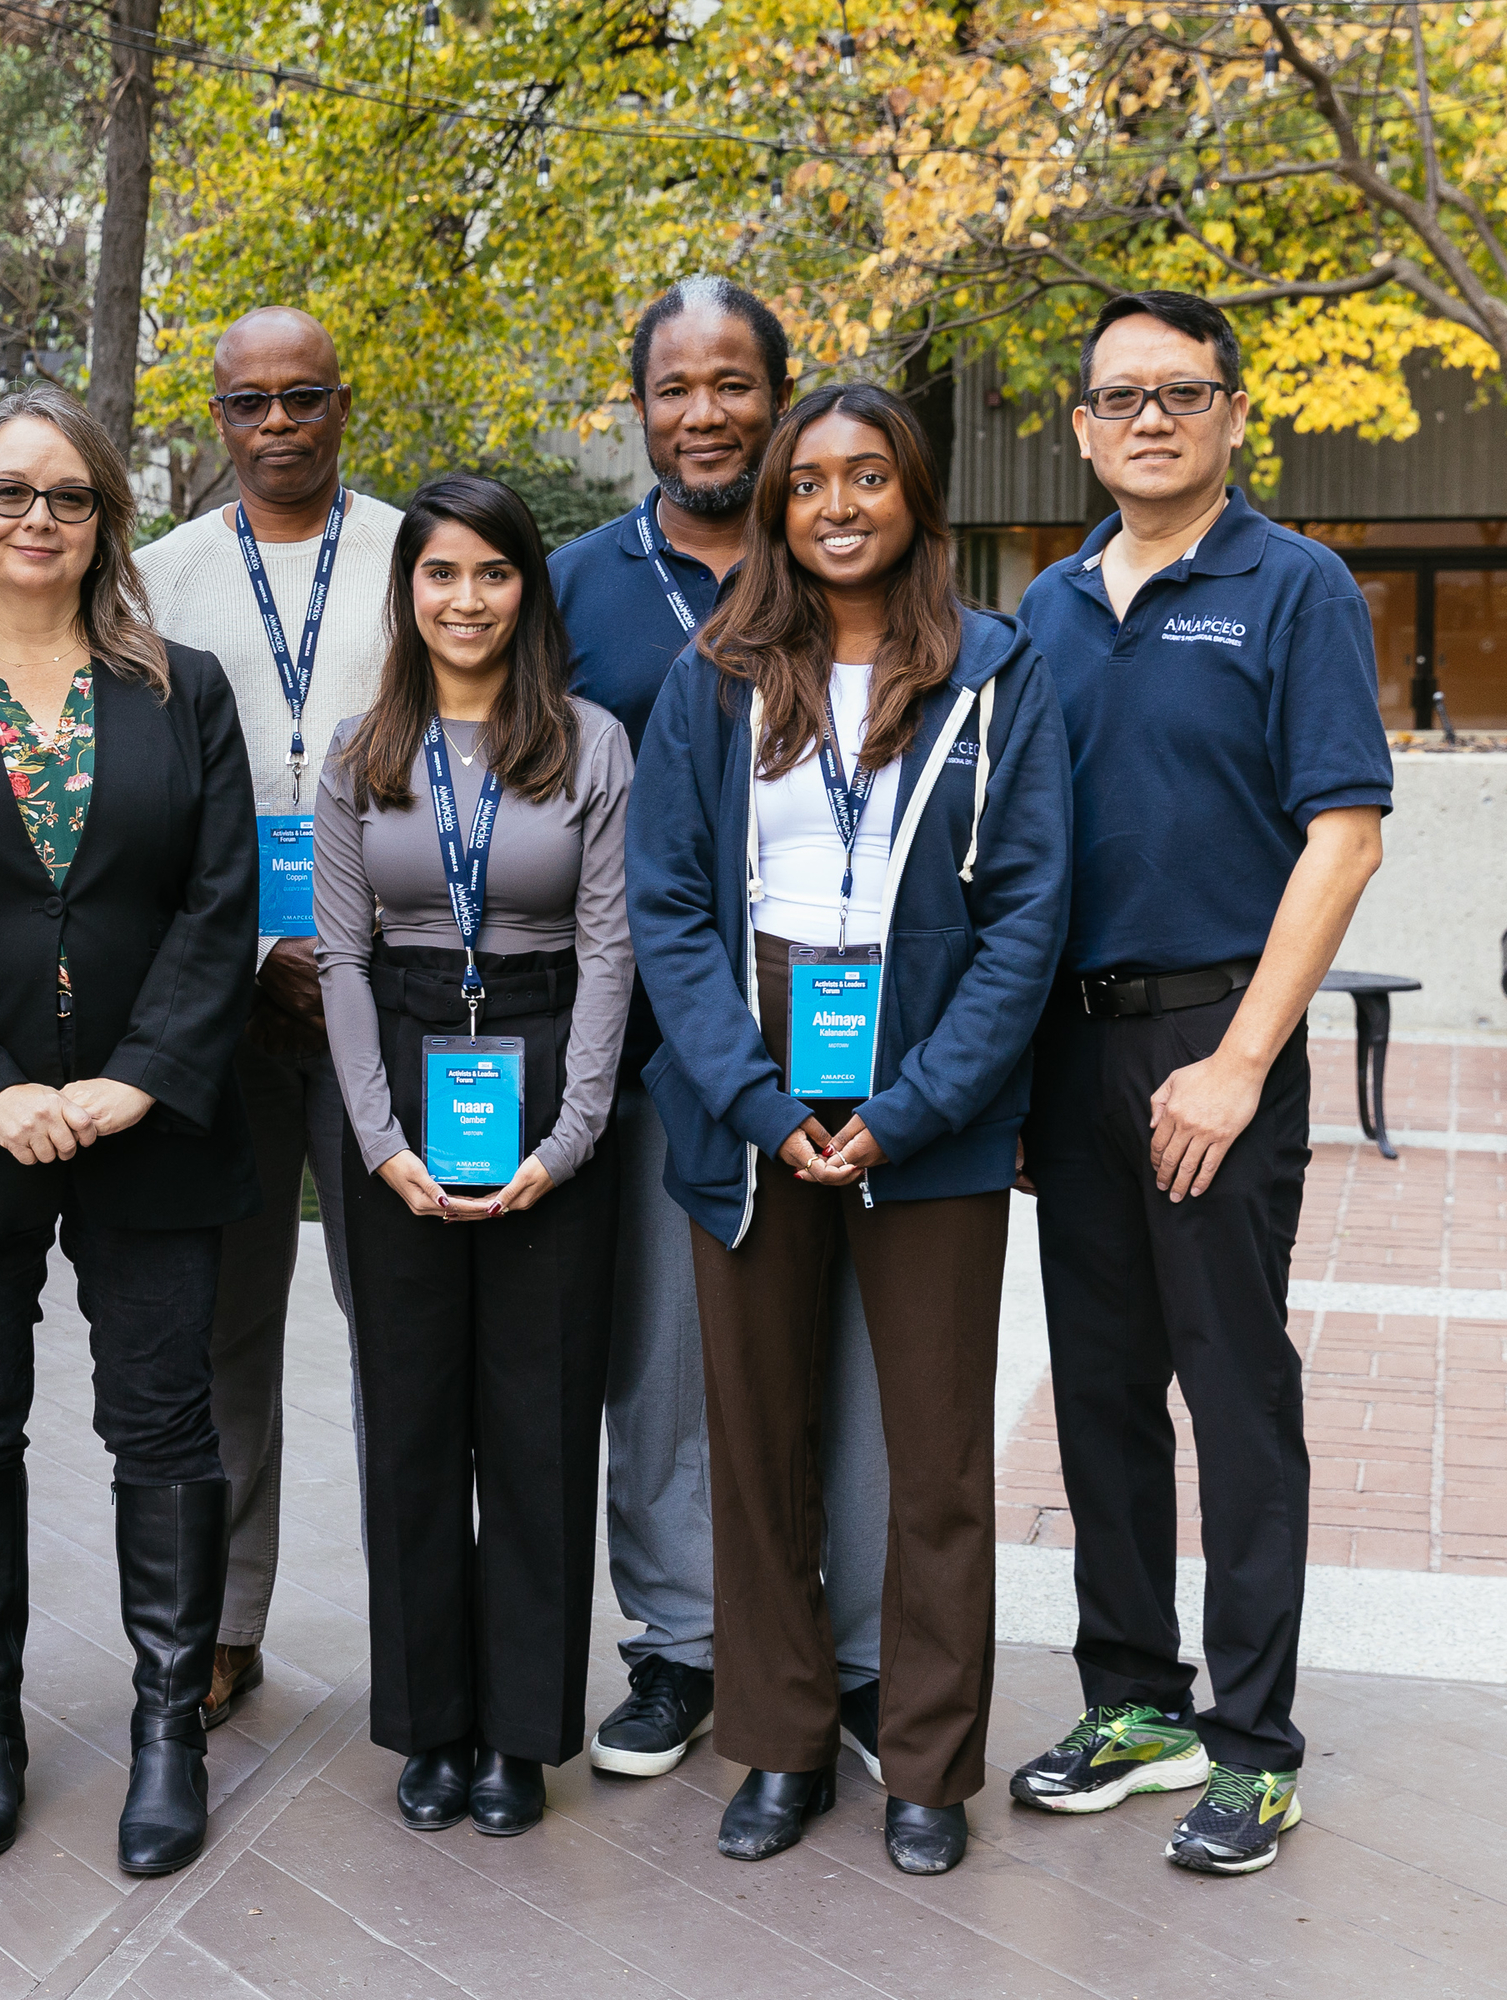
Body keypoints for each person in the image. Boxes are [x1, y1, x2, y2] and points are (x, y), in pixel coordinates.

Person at [629, 384, 1070, 1876]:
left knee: (939, 1455)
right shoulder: (714, 676)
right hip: (743, 1070)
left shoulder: (999, 672)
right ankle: (780, 1742)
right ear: (775, 505)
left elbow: (1025, 916)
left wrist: (912, 1107)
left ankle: (933, 1766)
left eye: (866, 477)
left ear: (913, 497)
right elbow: (672, 907)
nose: (835, 504)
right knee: (760, 1443)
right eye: (807, 480)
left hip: (928, 1081)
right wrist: (753, 1098)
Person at [0, 384, 259, 1878]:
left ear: (104, 522)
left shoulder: (180, 691)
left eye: (65, 497)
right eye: (7, 494)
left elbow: (223, 900)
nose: (34, 521)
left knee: (162, 1424)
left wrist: (139, 1075)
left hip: (153, 1118)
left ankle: (166, 1729)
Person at [1010, 291, 1388, 1877]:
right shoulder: (1038, 607)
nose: (1149, 418)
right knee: (1095, 1395)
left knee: (1234, 1397)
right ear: (1085, 427)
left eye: (1181, 391)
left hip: (1214, 1044)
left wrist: (1239, 1062)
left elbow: (1346, 834)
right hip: (1069, 1052)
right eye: (1119, 397)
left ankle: (1253, 1743)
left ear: (1233, 414)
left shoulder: (1292, 587)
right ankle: (1135, 1699)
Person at [550, 277, 895, 1781]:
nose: (707, 413)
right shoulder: (577, 587)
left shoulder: (849, 557)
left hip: (866, 1052)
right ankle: (681, 1646)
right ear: (641, 407)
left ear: (782, 394)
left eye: (736, 384)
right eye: (677, 386)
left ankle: (864, 1657)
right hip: (653, 1047)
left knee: (861, 1370)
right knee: (674, 1370)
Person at [314, 473, 633, 1839]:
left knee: (540, 1424)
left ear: (527, 591)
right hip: (399, 1073)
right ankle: (431, 1727)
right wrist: (380, 1143)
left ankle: (520, 1736)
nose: (465, 600)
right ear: (409, 591)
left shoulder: (590, 744)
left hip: (547, 1064)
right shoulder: (355, 750)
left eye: (493, 574)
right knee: (414, 1426)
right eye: (440, 574)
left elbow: (614, 947)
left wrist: (569, 1140)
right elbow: (337, 955)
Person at [132, 305, 399, 1732]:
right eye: (252, 403)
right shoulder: (160, 578)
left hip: (391, 1001)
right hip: (222, 1016)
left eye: (306, 398)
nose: (280, 424)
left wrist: (346, 949)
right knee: (223, 1329)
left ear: (342, 405)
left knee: (399, 1323)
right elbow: (142, 807)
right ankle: (222, 1624)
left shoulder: (417, 560)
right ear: (218, 416)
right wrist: (248, 955)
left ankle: (420, 1621)